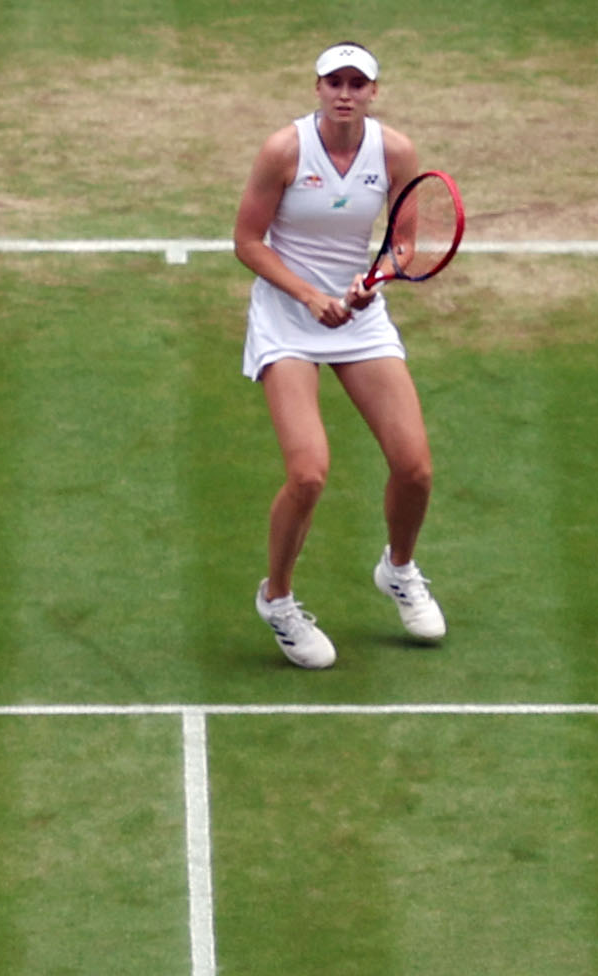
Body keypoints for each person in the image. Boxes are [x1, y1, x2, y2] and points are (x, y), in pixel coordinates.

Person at [233, 43, 443, 671]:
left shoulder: (396, 153)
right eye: (335, 82)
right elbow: (246, 241)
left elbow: (403, 243)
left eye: (358, 82)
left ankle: (399, 570)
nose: (346, 92)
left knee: (415, 469)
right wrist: (308, 294)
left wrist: (374, 279)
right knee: (308, 474)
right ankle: (278, 600)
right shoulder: (284, 151)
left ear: (373, 91)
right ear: (318, 89)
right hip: (287, 318)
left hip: (358, 318)